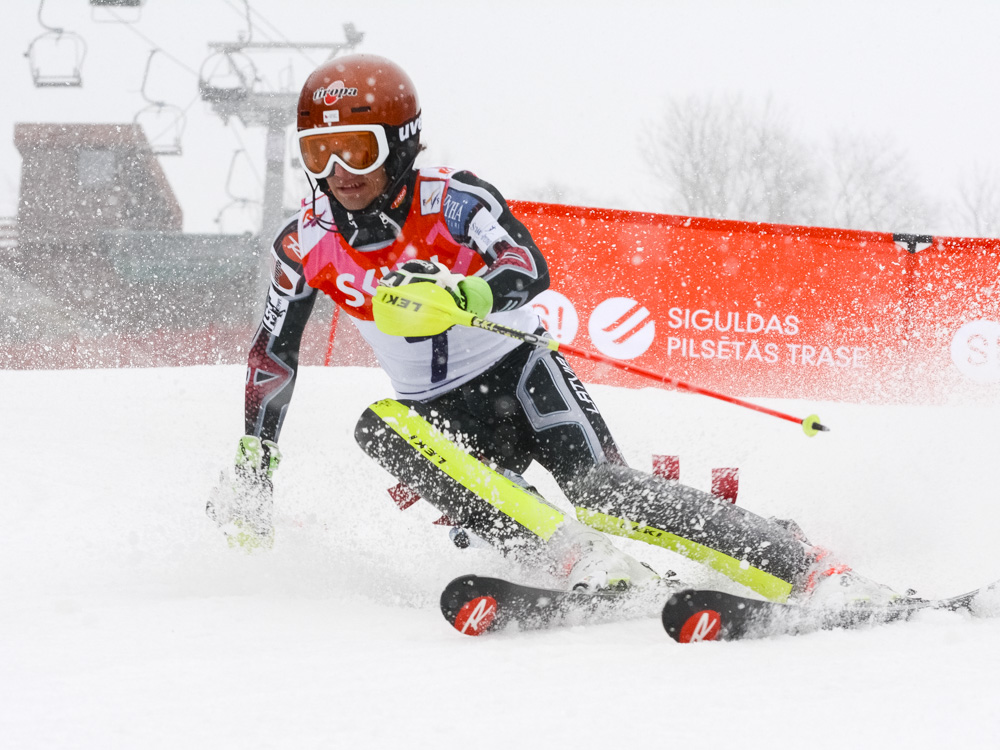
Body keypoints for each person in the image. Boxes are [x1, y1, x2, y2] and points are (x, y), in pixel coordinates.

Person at [208, 53, 898, 604]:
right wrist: (255, 460)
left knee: (607, 496)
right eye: (319, 151)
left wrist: (467, 287)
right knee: (378, 425)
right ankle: (581, 563)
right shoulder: (307, 243)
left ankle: (799, 563)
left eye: (356, 149)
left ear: (401, 143)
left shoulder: (452, 200)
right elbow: (273, 353)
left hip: (520, 375)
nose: (338, 173)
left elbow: (527, 263)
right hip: (439, 422)